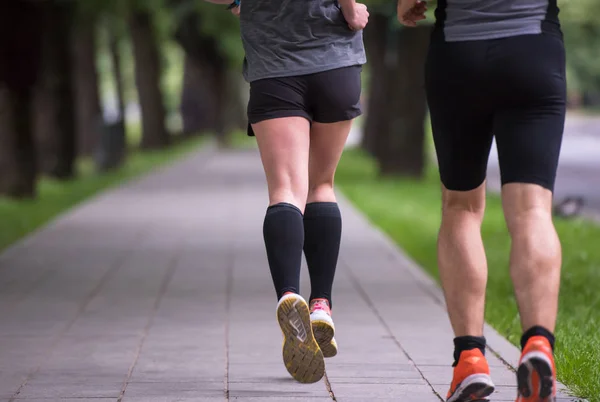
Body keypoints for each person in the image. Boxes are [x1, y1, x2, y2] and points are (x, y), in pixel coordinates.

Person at [397, 1, 565, 401]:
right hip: (533, 49)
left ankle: (470, 358)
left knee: (461, 208)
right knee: (532, 210)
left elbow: (409, 4)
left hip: (459, 54)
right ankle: (538, 345)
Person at [204, 0, 369, 384]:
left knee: (285, 191)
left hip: (274, 67)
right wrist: (348, 7)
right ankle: (322, 305)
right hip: (335, 61)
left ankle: (289, 295)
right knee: (322, 185)